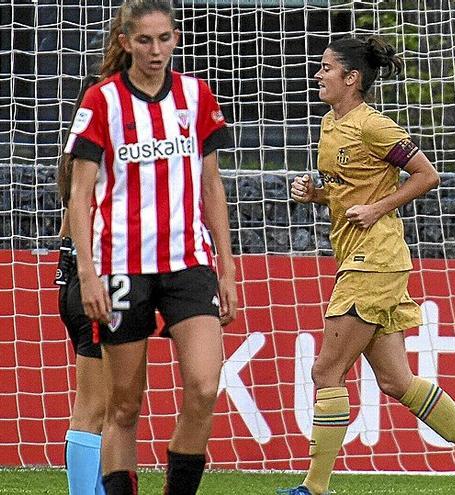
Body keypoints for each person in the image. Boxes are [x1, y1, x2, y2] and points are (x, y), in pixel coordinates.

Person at [279, 36, 455, 495]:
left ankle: (315, 487)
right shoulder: (330, 124)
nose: (318, 74)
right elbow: (348, 188)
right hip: (359, 257)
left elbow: (428, 175)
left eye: (326, 68)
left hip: (375, 260)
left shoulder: (375, 126)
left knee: (326, 372)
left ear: (352, 78)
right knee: (395, 380)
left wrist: (379, 208)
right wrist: (318, 194)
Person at [64, 1, 238, 493]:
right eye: (145, 40)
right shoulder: (102, 101)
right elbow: (79, 196)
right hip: (120, 266)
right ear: (125, 43)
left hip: (188, 262)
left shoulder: (194, 95)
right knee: (123, 404)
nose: (156, 50)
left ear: (177, 38)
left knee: (204, 386)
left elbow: (211, 185)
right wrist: (88, 273)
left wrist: (226, 268)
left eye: (165, 39)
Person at [56, 74, 107, 495]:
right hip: (96, 284)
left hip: (74, 278)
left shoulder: (74, 158)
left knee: (107, 407)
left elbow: (67, 226)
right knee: (91, 409)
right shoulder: (101, 160)